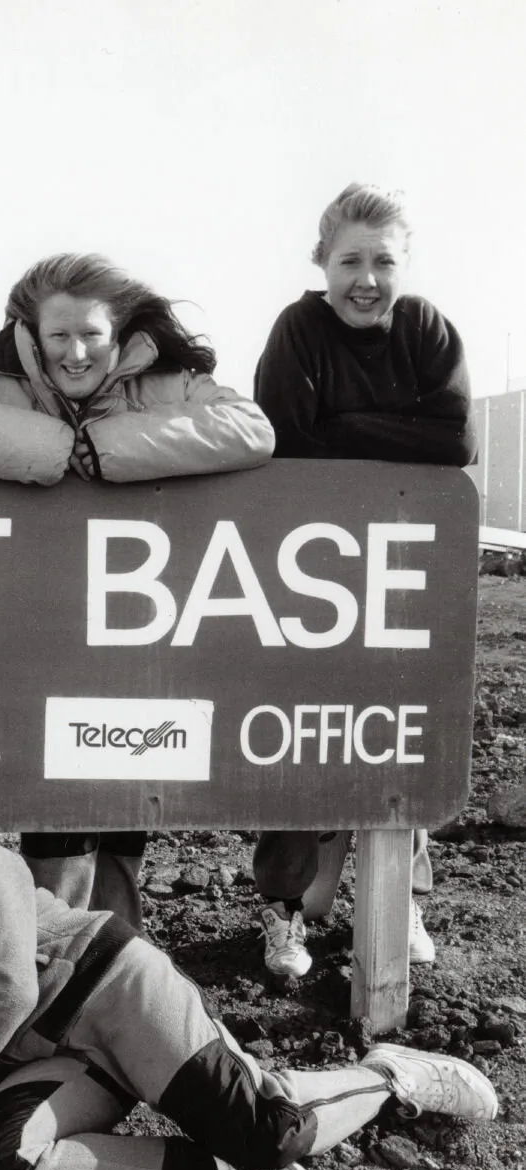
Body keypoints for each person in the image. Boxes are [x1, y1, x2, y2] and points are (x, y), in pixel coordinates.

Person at [0, 752, 498, 1170]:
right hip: (53, 1056)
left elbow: (4, 990)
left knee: (273, 1133)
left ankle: (391, 1076)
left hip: (112, 996)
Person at [0, 253, 276, 926]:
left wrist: (109, 448)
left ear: (117, 333)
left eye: (91, 333)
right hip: (27, 636)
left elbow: (251, 428)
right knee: (54, 814)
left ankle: (117, 968)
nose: (76, 351)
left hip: (132, 635)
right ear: (32, 334)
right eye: (58, 335)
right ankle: (49, 974)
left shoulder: (168, 383)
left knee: (122, 800)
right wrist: (52, 447)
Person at [250, 183, 477, 979]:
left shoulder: (427, 330)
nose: (368, 279)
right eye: (351, 260)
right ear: (323, 262)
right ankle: (285, 914)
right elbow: (286, 442)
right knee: (301, 737)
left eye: (384, 260)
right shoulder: (298, 329)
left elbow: (455, 438)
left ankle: (397, 903)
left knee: (398, 736)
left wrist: (342, 429)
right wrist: (391, 439)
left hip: (401, 573)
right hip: (307, 574)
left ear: (405, 263)